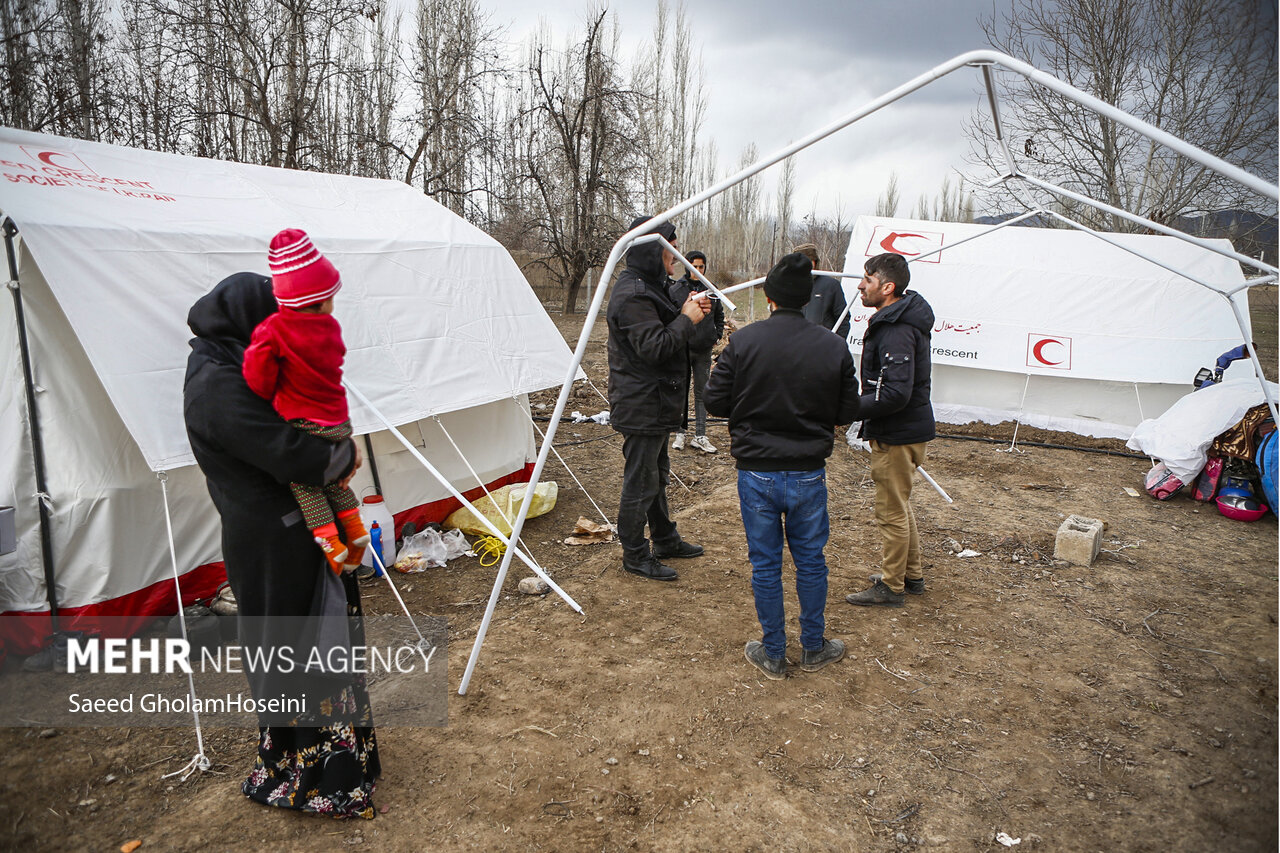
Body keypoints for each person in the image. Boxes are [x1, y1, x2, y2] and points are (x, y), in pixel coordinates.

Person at [184, 272, 380, 819]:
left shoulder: (237, 365)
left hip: (295, 533)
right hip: (274, 542)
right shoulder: (215, 385)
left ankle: (343, 762)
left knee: (327, 641)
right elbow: (289, 452)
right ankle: (315, 779)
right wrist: (341, 457)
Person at [705, 252, 859, 679]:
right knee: (811, 561)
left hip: (757, 471)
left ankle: (774, 652)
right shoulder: (832, 345)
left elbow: (715, 400)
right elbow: (847, 409)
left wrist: (751, 404)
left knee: (766, 563)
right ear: (807, 297)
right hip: (808, 470)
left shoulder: (744, 342)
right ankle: (813, 646)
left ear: (769, 297)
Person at [242, 228, 370, 575]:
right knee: (336, 480)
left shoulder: (273, 330)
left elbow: (258, 379)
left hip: (304, 421)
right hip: (338, 422)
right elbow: (338, 357)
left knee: (307, 484)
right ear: (321, 299)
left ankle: (331, 543)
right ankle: (356, 529)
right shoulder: (330, 327)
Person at [607, 216, 711, 581]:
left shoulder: (650, 285)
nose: (676, 253)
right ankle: (635, 553)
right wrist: (686, 318)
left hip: (655, 402)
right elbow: (654, 347)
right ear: (652, 248)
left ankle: (665, 538)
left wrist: (690, 308)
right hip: (641, 404)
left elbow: (666, 323)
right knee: (641, 480)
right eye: (671, 245)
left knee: (657, 474)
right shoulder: (632, 293)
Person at [843, 252, 936, 608]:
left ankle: (892, 586)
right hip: (906, 428)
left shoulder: (896, 330)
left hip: (898, 432)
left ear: (887, 286)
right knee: (900, 505)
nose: (860, 286)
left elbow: (896, 393)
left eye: (867, 280)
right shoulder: (897, 320)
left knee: (890, 511)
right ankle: (910, 576)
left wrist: (848, 409)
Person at [668, 250, 724, 454]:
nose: (698, 271)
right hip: (682, 349)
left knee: (702, 392)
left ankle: (700, 435)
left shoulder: (711, 290)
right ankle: (680, 432)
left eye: (701, 267)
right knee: (680, 391)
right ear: (687, 267)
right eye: (694, 267)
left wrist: (715, 335)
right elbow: (672, 317)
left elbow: (719, 315)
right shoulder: (676, 290)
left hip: (703, 350)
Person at [793, 242, 851, 340]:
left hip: (822, 346)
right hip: (793, 346)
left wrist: (836, 345)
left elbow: (843, 319)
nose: (804, 265)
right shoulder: (788, 285)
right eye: (799, 262)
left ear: (815, 262)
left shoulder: (831, 285)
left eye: (808, 261)